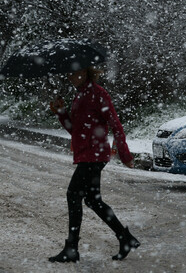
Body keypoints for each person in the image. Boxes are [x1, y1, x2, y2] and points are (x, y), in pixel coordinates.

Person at [48, 66, 140, 263]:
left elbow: (115, 124)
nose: (70, 76)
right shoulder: (80, 96)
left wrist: (125, 154)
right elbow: (75, 130)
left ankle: (72, 249)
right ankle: (125, 238)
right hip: (86, 155)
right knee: (92, 200)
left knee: (73, 194)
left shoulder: (98, 94)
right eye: (69, 73)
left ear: (85, 72)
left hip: (94, 155)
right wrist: (62, 113)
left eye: (74, 72)